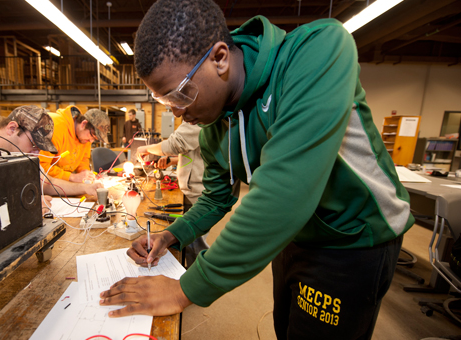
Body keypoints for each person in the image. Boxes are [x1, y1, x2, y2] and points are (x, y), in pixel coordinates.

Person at [99, 1, 415, 339]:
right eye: (166, 103)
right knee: (287, 328)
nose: (178, 114)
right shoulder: (215, 126)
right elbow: (216, 199)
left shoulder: (317, 51)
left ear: (219, 58)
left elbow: (284, 193)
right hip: (293, 233)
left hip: (352, 238)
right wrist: (172, 234)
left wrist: (183, 290)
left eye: (179, 95)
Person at [137, 121, 206, 267]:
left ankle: (195, 279)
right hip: (193, 191)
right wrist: (173, 160)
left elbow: (176, 144)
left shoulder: (199, 115)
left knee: (195, 245)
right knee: (190, 242)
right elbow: (197, 154)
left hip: (200, 195)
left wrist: (146, 149)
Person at [38, 106, 110, 184]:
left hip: (61, 181)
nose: (91, 141)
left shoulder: (84, 136)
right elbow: (40, 166)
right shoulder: (54, 127)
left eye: (95, 139)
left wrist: (84, 172)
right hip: (42, 183)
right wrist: (71, 177)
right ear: (84, 124)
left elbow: (83, 159)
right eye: (92, 136)